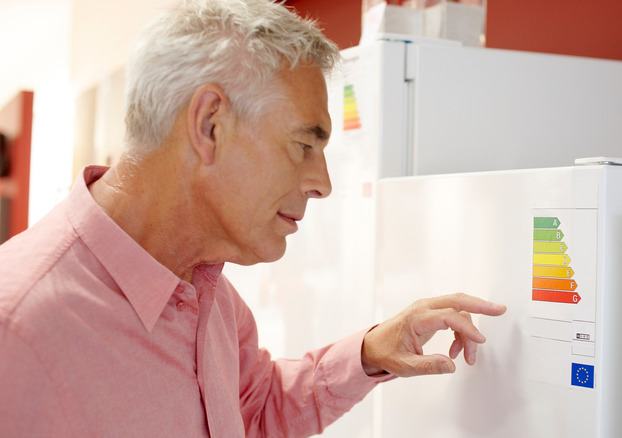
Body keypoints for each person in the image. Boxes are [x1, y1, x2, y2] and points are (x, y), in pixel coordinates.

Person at [0, 0, 506, 436]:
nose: (323, 183)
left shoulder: (211, 294)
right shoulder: (19, 331)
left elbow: (253, 411)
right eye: (304, 144)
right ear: (210, 125)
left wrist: (372, 351)